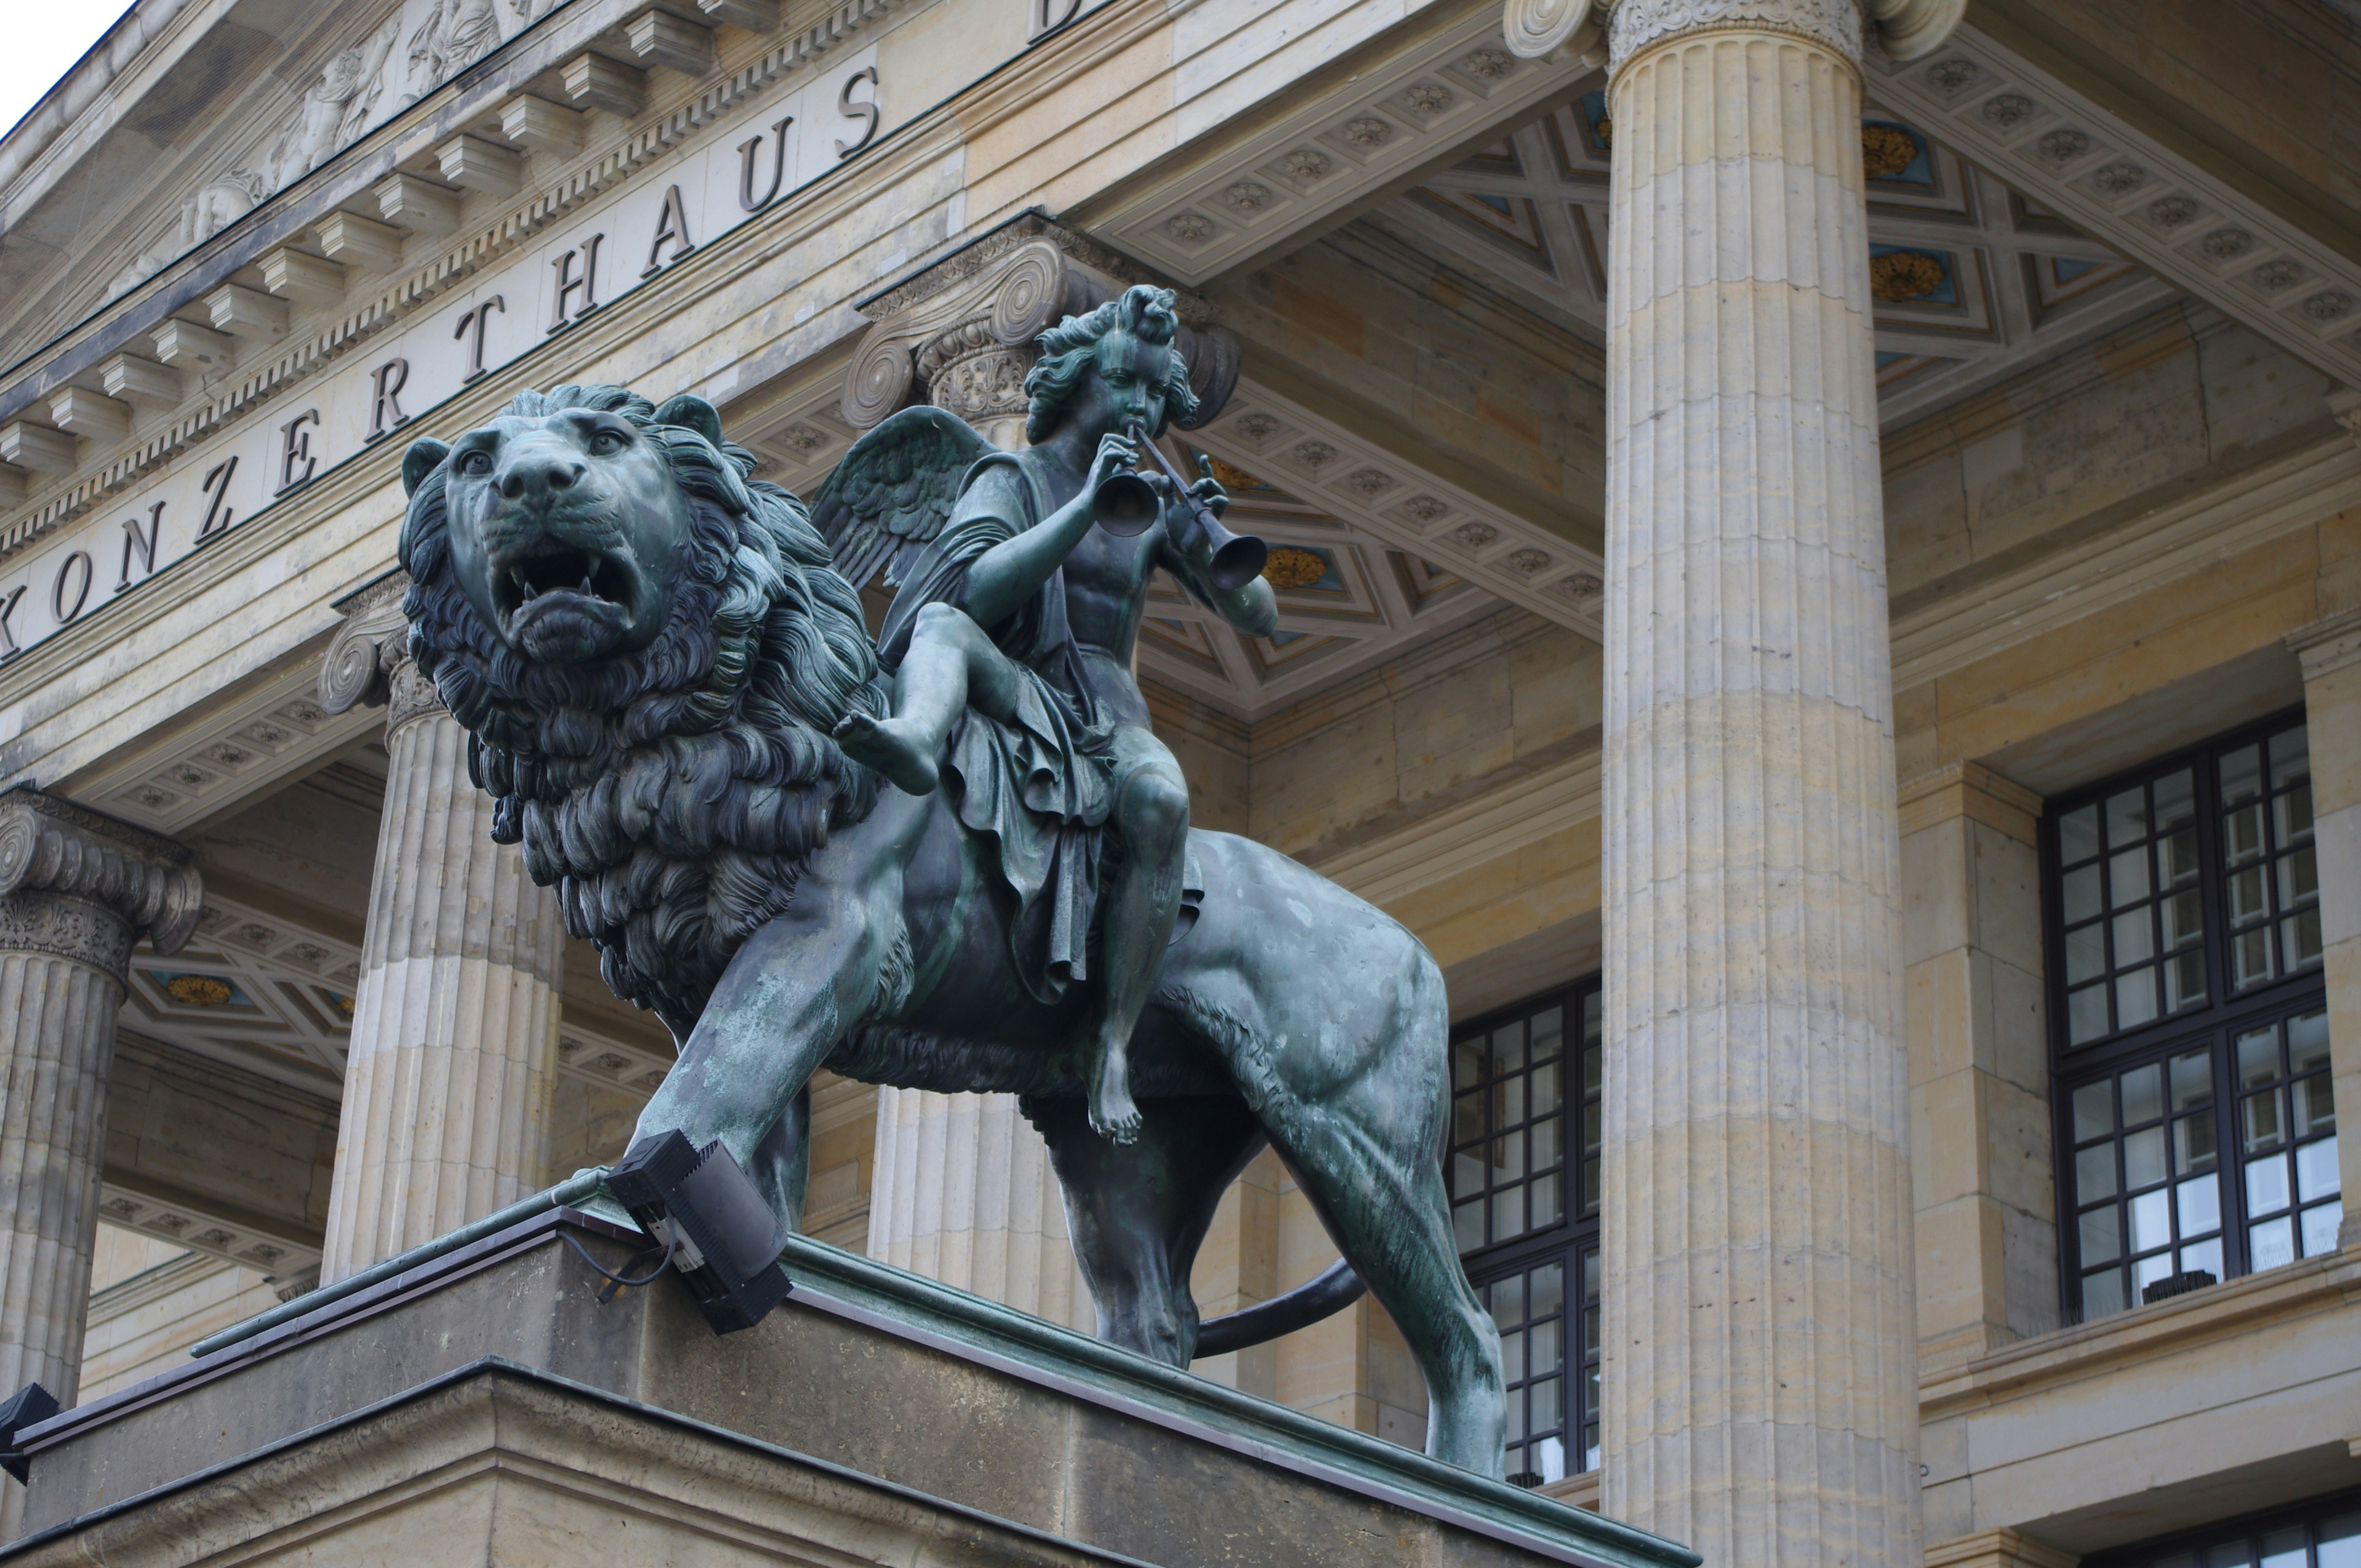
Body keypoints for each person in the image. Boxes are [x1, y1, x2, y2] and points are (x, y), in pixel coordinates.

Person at [834, 286, 1277, 1143]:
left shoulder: (1152, 509)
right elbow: (976, 590)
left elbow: (1261, 616)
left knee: (1163, 803)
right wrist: (1083, 509)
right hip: (1017, 684)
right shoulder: (1015, 479)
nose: (1142, 406)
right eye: (1126, 383)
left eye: (1154, 392)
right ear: (1081, 382)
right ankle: (912, 738)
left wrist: (1215, 548)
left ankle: (1112, 1041)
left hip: (1106, 713)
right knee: (943, 628)